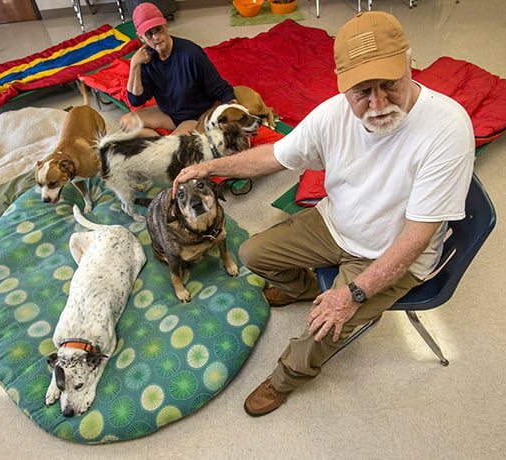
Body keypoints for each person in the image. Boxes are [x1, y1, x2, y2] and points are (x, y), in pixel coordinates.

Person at [173, 11, 475, 416]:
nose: (378, 103)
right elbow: (274, 157)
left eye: (389, 84)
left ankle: (284, 380)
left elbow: (417, 236)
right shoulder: (333, 114)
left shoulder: (448, 127)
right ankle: (304, 288)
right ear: (342, 86)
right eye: (362, 91)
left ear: (409, 62)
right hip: (335, 223)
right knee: (252, 254)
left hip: (392, 252)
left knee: (321, 329)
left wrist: (351, 295)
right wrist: (209, 167)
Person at [120, 2, 236, 137]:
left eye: (159, 30)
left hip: (195, 116)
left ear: (165, 25)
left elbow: (221, 89)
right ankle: (161, 145)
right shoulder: (146, 57)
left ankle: (166, 145)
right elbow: (136, 101)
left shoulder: (191, 54)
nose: (156, 37)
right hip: (168, 113)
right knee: (126, 122)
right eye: (149, 34)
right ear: (141, 38)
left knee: (174, 148)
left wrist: (233, 109)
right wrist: (134, 64)